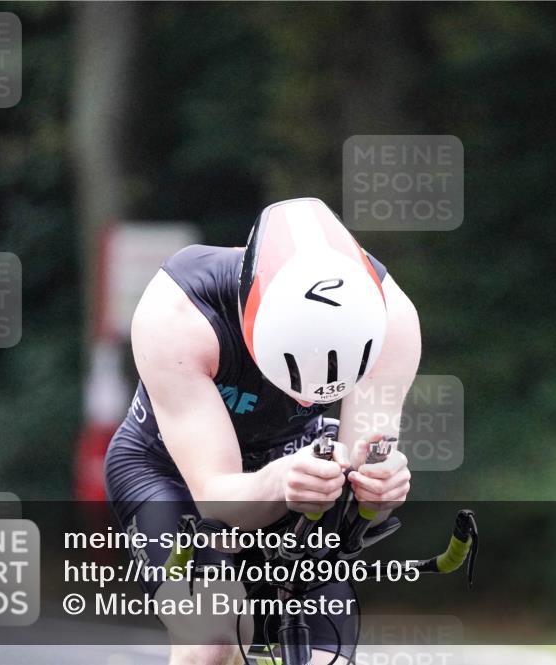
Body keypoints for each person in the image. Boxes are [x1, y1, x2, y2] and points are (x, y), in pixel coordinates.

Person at [105, 197, 421, 664]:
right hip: (170, 471)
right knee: (213, 637)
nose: (308, 400)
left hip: (299, 459)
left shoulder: (393, 319)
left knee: (325, 655)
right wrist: (278, 479)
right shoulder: (178, 312)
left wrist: (378, 488)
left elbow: (360, 487)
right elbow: (217, 501)